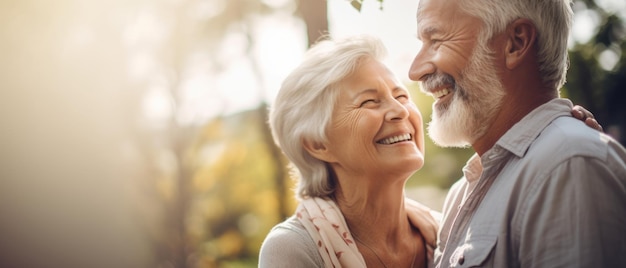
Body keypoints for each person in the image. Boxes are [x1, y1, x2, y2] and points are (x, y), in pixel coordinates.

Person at [408, 0, 626, 267]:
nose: (415, 70)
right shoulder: (462, 192)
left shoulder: (571, 166)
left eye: (437, 41)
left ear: (516, 43)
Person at [259, 34, 440, 268]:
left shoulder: (448, 232)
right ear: (317, 144)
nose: (400, 111)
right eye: (369, 102)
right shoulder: (292, 249)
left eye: (401, 95)